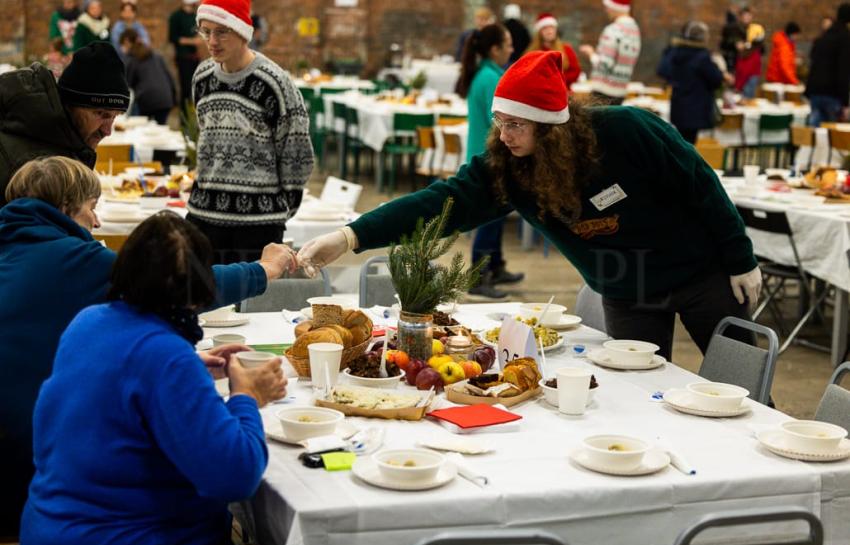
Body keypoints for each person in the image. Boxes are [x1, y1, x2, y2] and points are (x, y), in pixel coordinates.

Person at [298, 51, 761, 363]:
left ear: (552, 127)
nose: (503, 135)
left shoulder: (628, 130)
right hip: (629, 291)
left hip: (704, 275)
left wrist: (740, 258)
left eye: (516, 125)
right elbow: (440, 202)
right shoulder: (510, 168)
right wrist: (350, 236)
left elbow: (702, 183)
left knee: (743, 390)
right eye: (500, 121)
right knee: (640, 394)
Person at [0, 156, 296, 544]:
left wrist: (185, 368)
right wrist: (247, 396)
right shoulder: (79, 264)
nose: (98, 223)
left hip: (45, 519)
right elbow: (235, 477)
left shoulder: (86, 323)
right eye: (92, 209)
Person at [188, 0, 314, 264]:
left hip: (258, 225)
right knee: (201, 302)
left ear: (242, 32)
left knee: (255, 305)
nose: (212, 40)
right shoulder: (201, 77)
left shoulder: (274, 83)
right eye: (206, 31)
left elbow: (297, 153)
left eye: (222, 31)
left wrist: (280, 213)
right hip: (204, 217)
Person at [0, 41, 129, 207]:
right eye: (101, 114)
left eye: (114, 116)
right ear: (70, 105)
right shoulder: (37, 165)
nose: (107, 131)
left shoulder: (54, 140)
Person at [456, 23, 522, 299]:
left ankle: (495, 266)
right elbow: (499, 120)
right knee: (489, 217)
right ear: (494, 49)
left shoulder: (486, 74)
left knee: (498, 212)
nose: (512, 48)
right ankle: (477, 276)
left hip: (484, 151)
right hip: (490, 155)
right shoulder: (491, 79)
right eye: (507, 44)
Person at [657, 21, 725, 144]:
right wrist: (718, 67)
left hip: (678, 105)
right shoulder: (702, 57)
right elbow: (716, 80)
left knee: (681, 142)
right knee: (689, 145)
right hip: (696, 109)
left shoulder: (675, 51)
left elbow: (662, 71)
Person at [579, 0, 641, 105]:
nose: (606, 10)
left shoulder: (613, 30)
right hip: (620, 92)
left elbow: (605, 64)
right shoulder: (635, 30)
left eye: (608, 7)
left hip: (603, 91)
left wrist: (591, 54)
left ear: (616, 7)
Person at [120, 29, 177, 124]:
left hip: (147, 101)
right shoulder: (156, 55)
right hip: (166, 99)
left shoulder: (131, 59)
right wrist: (174, 99)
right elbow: (169, 78)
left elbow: (127, 84)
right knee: (160, 130)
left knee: (143, 132)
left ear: (126, 42)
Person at [806, 3, 850, 127]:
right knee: (830, 136)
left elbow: (814, 62)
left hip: (815, 91)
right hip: (832, 94)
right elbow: (844, 71)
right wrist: (846, 102)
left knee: (814, 133)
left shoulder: (825, 36)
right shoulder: (845, 38)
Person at [528, 12, 581, 90]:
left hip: (563, 92)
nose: (549, 31)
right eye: (545, 28)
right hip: (539, 93)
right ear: (539, 31)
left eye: (552, 27)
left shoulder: (566, 49)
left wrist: (557, 82)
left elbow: (575, 71)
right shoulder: (532, 52)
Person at [170, 0, 203, 109]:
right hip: (183, 58)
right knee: (185, 90)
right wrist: (192, 41)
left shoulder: (195, 16)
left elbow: (199, 34)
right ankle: (184, 121)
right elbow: (173, 38)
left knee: (196, 89)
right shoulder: (176, 16)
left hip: (195, 58)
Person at [734, 24, 764, 99]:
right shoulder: (752, 53)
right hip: (746, 85)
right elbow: (744, 71)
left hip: (745, 84)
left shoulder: (748, 52)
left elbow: (742, 70)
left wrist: (738, 86)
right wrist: (738, 86)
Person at [719, 9, 746, 73]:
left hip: (729, 54)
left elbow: (723, 42)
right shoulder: (737, 27)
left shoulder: (727, 27)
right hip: (734, 55)